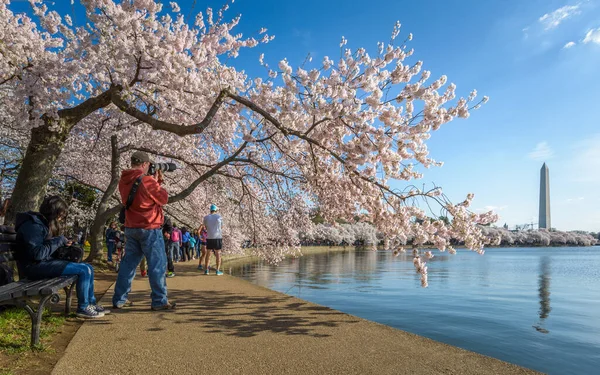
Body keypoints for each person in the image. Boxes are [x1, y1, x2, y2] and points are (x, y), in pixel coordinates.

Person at [15, 196, 107, 318]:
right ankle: (83, 307)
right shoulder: (33, 226)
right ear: (53, 212)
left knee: (88, 266)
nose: (61, 218)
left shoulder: (41, 224)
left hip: (41, 264)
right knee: (84, 270)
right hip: (32, 268)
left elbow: (44, 249)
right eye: (60, 214)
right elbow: (37, 254)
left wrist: (63, 244)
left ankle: (91, 303)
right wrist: (58, 241)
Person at [113, 151, 175, 311]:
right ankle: (159, 301)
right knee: (157, 265)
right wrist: (157, 181)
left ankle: (120, 299)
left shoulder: (123, 180)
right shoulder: (147, 180)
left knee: (128, 265)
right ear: (145, 164)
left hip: (131, 227)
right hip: (149, 227)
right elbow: (163, 198)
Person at [203, 204, 223, 276]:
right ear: (216, 210)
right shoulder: (219, 217)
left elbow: (205, 226)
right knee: (218, 254)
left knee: (208, 254)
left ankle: (206, 270)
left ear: (210, 210)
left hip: (209, 237)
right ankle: (217, 270)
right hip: (217, 237)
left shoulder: (206, 217)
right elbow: (222, 226)